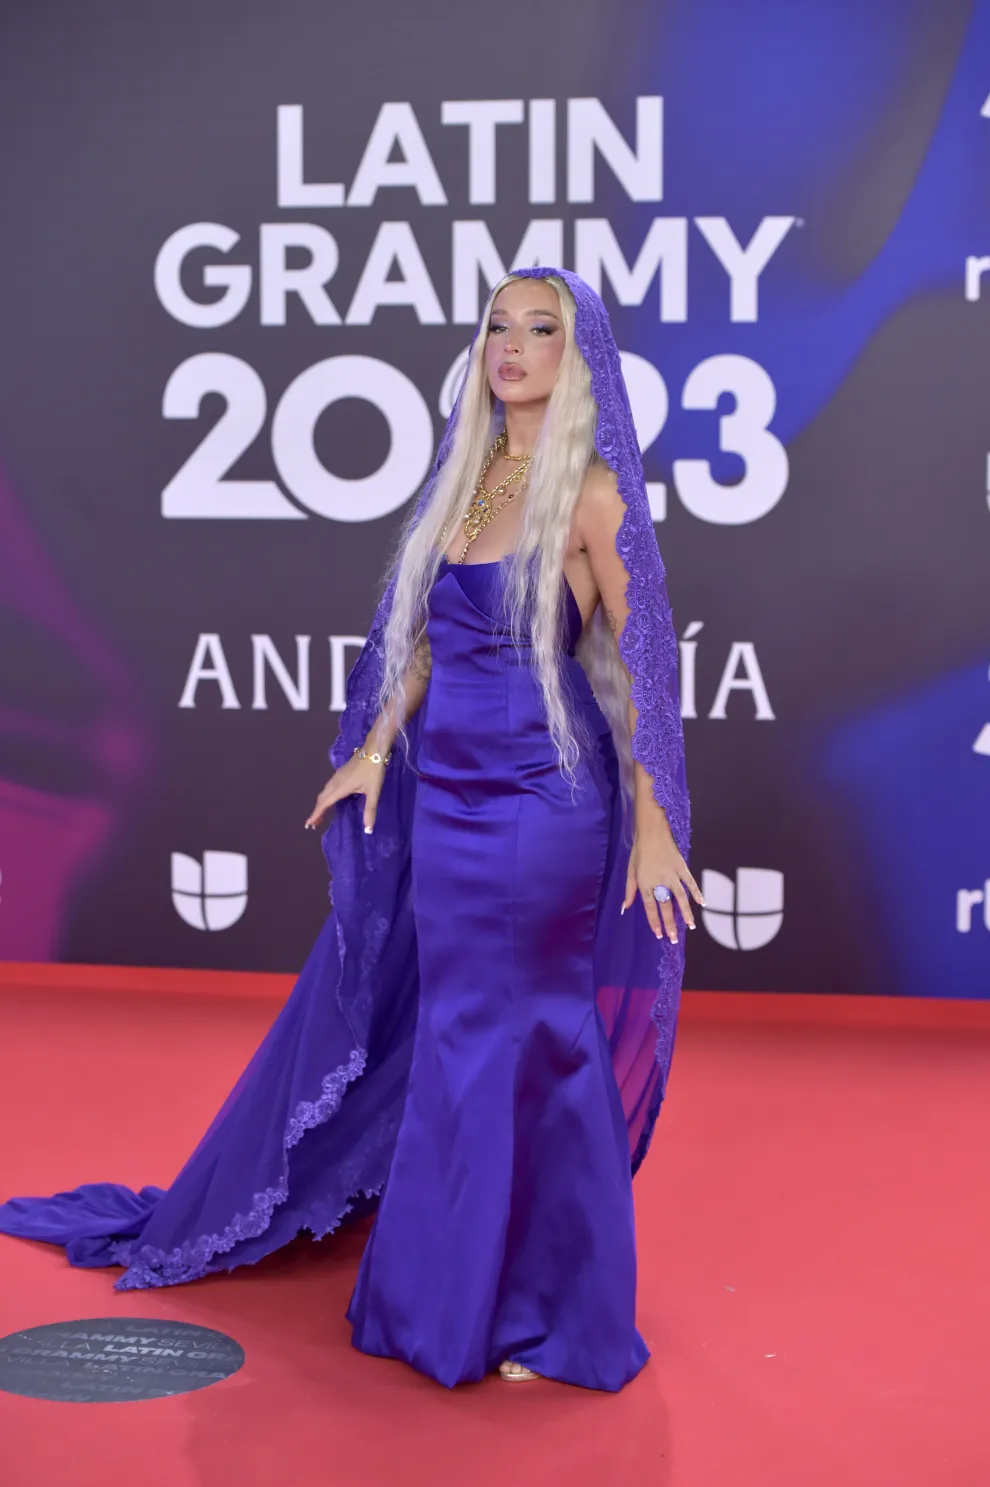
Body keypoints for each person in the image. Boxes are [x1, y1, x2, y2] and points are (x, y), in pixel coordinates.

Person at [0, 268, 697, 1393]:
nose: (511, 347)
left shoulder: (595, 496)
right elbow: (428, 638)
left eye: (541, 330)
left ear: (579, 358)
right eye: (496, 327)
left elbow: (646, 670)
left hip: (546, 800)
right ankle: (444, 1295)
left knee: (534, 1032)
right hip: (452, 802)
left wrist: (659, 825)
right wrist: (375, 747)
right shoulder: (465, 479)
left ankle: (553, 1314)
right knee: (455, 1037)